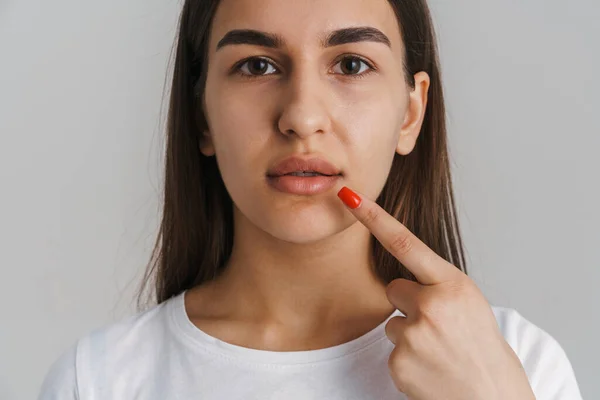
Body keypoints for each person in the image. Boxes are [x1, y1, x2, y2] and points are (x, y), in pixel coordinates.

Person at [38, 0, 583, 399]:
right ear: (201, 114)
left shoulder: (517, 363)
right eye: (257, 65)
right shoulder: (99, 379)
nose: (301, 117)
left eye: (351, 65)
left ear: (411, 114)